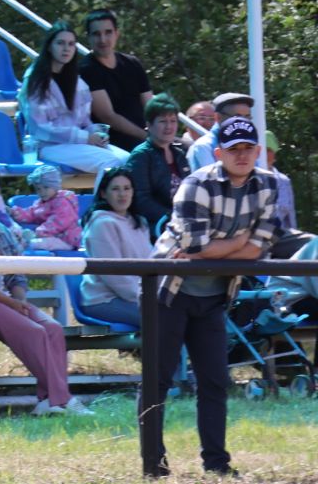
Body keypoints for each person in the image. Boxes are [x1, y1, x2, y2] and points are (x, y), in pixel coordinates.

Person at [140, 115, 292, 478]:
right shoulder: (195, 184)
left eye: (248, 149)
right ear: (219, 152)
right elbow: (198, 246)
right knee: (157, 381)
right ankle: (154, 466)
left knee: (214, 382)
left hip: (214, 297)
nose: (242, 156)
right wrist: (241, 242)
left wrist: (217, 249)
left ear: (258, 151)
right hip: (168, 292)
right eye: (234, 149)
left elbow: (258, 248)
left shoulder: (269, 185)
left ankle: (217, 465)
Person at [0, 170, 85, 415]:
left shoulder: (1, 229)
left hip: (7, 300)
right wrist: (11, 304)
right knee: (33, 331)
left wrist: (20, 298)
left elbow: (17, 270)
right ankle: (61, 399)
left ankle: (47, 400)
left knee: (52, 328)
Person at [20, 22, 128, 177]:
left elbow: (84, 122)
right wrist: (85, 137)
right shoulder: (36, 80)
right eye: (60, 43)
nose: (66, 48)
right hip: (50, 146)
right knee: (112, 163)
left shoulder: (77, 82)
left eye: (71, 44)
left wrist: (96, 134)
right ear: (49, 47)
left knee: (128, 159)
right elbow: (40, 128)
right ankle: (103, 201)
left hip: (76, 144)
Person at [79, 166, 155, 328]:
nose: (122, 194)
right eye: (115, 189)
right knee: (165, 318)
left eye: (127, 188)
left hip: (139, 296)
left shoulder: (139, 222)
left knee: (181, 312)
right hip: (104, 300)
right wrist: (148, 297)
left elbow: (152, 263)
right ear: (103, 194)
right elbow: (114, 275)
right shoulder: (101, 224)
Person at [76, 8, 153, 152]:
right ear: (88, 38)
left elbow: (151, 106)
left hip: (146, 139)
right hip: (112, 144)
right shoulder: (87, 69)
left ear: (117, 33)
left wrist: (161, 133)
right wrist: (148, 137)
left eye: (108, 32)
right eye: (96, 34)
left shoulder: (133, 63)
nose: (103, 40)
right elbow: (108, 116)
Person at [128, 93, 191, 229]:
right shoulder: (140, 156)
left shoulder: (180, 153)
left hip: (182, 221)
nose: (169, 126)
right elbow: (141, 200)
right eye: (163, 121)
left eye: (173, 121)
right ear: (149, 125)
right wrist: (171, 217)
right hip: (155, 226)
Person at [12, 163, 81, 251]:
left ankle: (26, 243)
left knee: (35, 244)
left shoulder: (63, 202)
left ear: (55, 186)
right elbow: (32, 213)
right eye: (38, 189)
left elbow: (58, 221)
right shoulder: (42, 202)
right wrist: (15, 213)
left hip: (65, 239)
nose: (42, 192)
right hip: (51, 236)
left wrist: (40, 232)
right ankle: (24, 241)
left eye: (46, 187)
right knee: (37, 242)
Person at [185, 91, 251, 171]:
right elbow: (217, 180)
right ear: (218, 117)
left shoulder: (250, 145)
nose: (243, 122)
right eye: (237, 117)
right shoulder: (204, 146)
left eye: (247, 117)